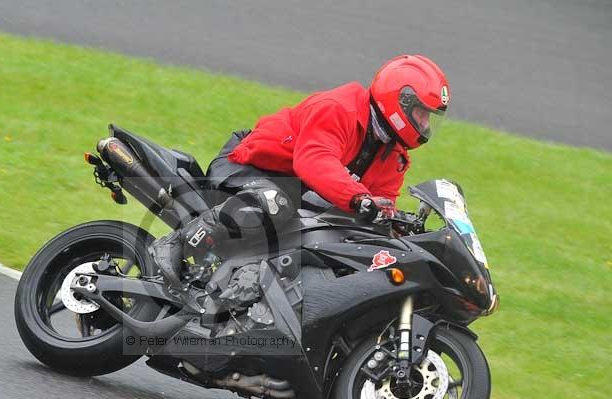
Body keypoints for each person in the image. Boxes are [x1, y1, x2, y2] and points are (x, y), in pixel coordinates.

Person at [152, 54, 450, 289]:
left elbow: (380, 205)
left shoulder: (393, 157)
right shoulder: (339, 108)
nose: (424, 126)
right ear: (401, 101)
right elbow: (314, 160)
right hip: (246, 166)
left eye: (429, 119)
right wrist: (359, 198)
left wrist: (399, 228)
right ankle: (177, 243)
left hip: (290, 193)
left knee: (343, 235)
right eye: (422, 114)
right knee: (274, 201)